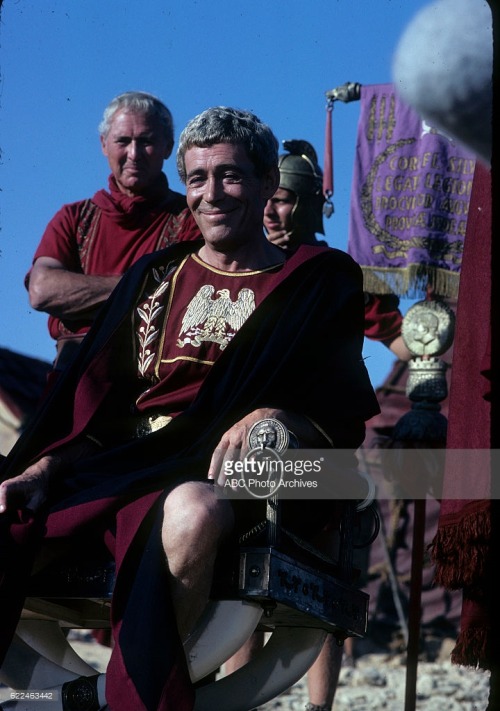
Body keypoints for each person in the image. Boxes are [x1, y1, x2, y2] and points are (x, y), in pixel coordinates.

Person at [0, 107, 379, 711]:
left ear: (262, 186)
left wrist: (276, 416)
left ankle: (139, 698)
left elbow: (340, 407)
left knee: (190, 511)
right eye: (198, 179)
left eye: (230, 176)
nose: (212, 194)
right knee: (12, 511)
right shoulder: (155, 276)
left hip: (236, 479)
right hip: (125, 464)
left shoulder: (315, 280)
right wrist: (46, 465)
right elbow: (98, 401)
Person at [26, 91, 200, 375]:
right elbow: (42, 290)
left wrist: (83, 297)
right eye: (123, 141)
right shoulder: (73, 218)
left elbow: (186, 295)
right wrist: (143, 288)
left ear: (168, 147)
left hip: (154, 373)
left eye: (146, 141)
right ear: (104, 144)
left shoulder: (190, 218)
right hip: (75, 370)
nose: (133, 154)